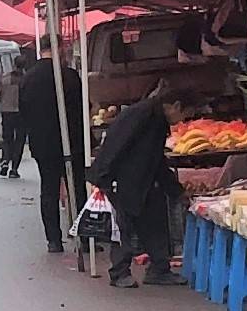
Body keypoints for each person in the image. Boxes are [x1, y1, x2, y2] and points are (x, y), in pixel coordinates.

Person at [87, 86, 184, 286]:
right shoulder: (143, 115)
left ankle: (159, 268)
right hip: (122, 178)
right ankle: (119, 273)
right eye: (184, 114)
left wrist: (174, 189)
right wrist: (105, 178)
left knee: (154, 220)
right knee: (123, 226)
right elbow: (117, 144)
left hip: (143, 178)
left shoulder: (154, 118)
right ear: (175, 106)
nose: (181, 121)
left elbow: (156, 160)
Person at [15, 48, 75, 255]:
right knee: (75, 188)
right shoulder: (69, 76)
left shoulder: (28, 78)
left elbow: (22, 111)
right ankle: (84, 236)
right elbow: (81, 107)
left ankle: (53, 239)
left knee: (48, 190)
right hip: (70, 140)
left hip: (42, 142)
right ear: (58, 49)